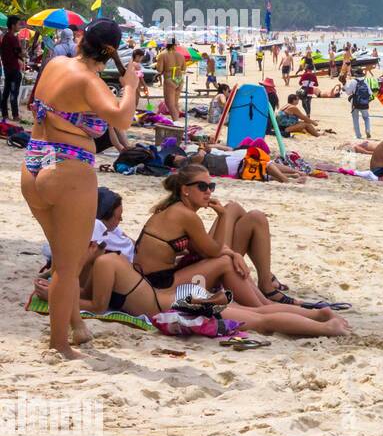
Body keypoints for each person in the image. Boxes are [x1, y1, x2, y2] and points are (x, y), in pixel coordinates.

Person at [22, 19, 141, 358]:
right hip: (68, 169)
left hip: (34, 163)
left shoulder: (57, 64)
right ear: (111, 52)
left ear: (82, 39)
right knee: (69, 265)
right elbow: (121, 119)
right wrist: (129, 85)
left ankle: (77, 326)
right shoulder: (90, 82)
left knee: (63, 256)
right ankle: (59, 345)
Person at [67, 251, 347, 337]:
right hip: (179, 298)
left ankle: (327, 328)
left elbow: (98, 305)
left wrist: (65, 298)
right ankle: (317, 314)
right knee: (257, 313)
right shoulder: (103, 264)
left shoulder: (105, 263)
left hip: (180, 304)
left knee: (262, 322)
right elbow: (93, 295)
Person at [135, 165, 292, 301]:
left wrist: (232, 253)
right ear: (185, 190)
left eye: (212, 187)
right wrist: (222, 217)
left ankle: (264, 281)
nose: (209, 192)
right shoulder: (186, 215)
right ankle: (263, 286)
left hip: (158, 276)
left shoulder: (175, 209)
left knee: (240, 210)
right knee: (245, 223)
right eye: (202, 187)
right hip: (159, 284)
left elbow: (203, 249)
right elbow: (215, 251)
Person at [2, 15, 25, 122]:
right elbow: (18, 53)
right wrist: (23, 54)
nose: (19, 26)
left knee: (6, 91)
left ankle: (5, 114)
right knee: (13, 92)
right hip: (14, 68)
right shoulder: (13, 38)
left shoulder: (5, 37)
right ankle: (15, 115)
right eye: (18, 24)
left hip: (7, 68)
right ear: (13, 25)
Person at [156, 39, 185, 119]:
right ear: (174, 45)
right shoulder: (180, 55)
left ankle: (176, 122)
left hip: (170, 79)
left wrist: (156, 65)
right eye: (176, 45)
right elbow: (183, 68)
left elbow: (159, 70)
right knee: (175, 103)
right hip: (179, 79)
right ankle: (177, 121)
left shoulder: (163, 54)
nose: (177, 46)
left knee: (170, 104)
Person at [345, 72, 373, 139]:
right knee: (366, 118)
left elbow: (348, 92)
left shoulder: (353, 81)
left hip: (355, 103)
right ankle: (368, 130)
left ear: (355, 75)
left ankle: (358, 135)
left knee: (355, 119)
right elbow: (370, 93)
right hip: (364, 103)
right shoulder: (365, 81)